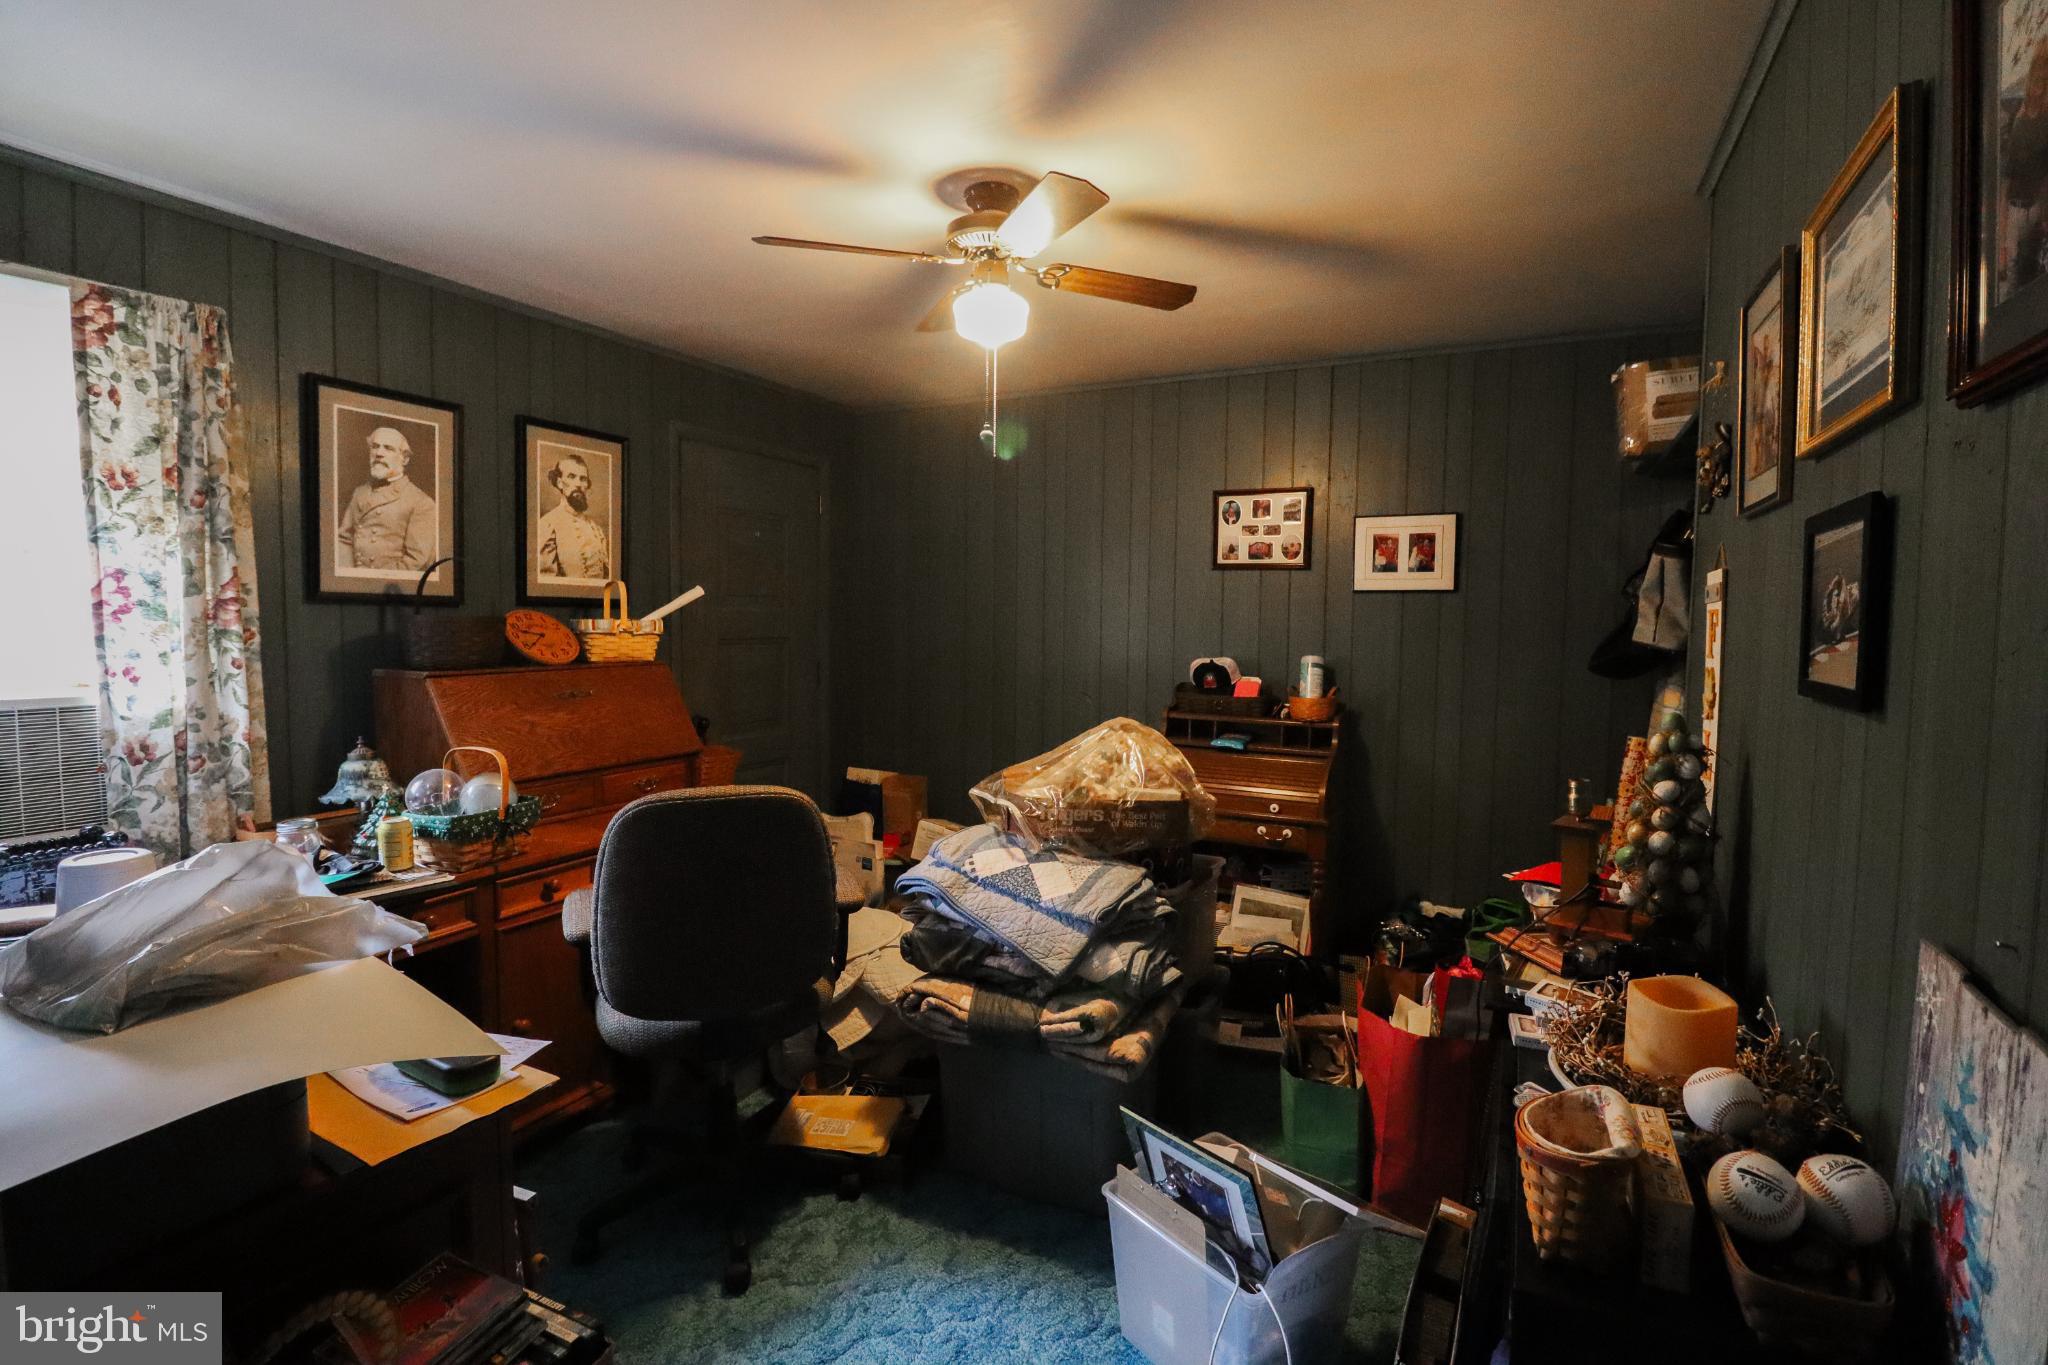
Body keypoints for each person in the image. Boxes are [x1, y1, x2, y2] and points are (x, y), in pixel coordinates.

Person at [337, 425, 436, 571]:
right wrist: (348, 575)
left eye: (388, 448)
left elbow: (417, 562)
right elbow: (344, 540)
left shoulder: (421, 502)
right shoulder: (359, 492)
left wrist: (372, 579)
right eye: (375, 446)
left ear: (405, 459)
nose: (379, 453)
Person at [538, 452, 610, 580]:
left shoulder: (596, 529)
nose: (578, 484)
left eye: (583, 479)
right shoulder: (548, 524)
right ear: (560, 483)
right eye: (571, 477)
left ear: (587, 486)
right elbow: (546, 583)